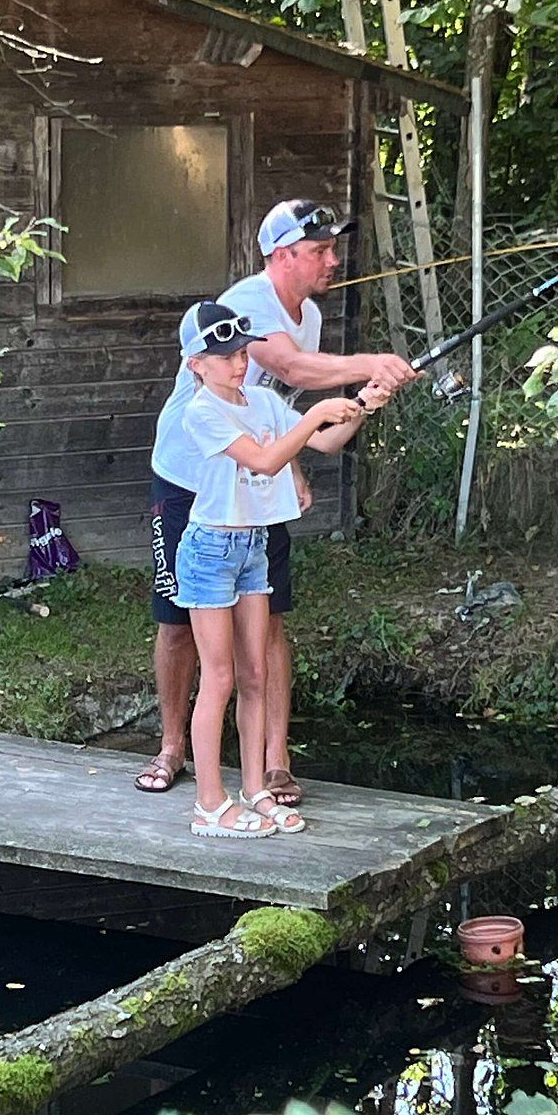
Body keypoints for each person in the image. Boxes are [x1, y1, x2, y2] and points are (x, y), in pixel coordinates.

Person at [138, 199, 418, 802]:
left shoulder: (307, 315)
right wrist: (371, 362)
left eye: (332, 248)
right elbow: (290, 370)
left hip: (253, 491)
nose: (332, 260)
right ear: (282, 255)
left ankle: (272, 761)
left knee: (267, 627)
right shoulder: (244, 307)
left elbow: (277, 412)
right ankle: (171, 748)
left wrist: (363, 401)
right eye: (318, 250)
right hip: (191, 483)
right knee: (180, 624)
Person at [173, 302, 385, 839]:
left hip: (254, 548)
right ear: (196, 363)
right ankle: (208, 804)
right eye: (224, 357)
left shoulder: (264, 401)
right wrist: (315, 413)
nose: (238, 364)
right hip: (209, 550)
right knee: (217, 677)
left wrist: (363, 403)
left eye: (242, 353)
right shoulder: (201, 412)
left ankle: (253, 791)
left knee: (255, 676)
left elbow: (326, 441)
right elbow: (265, 462)